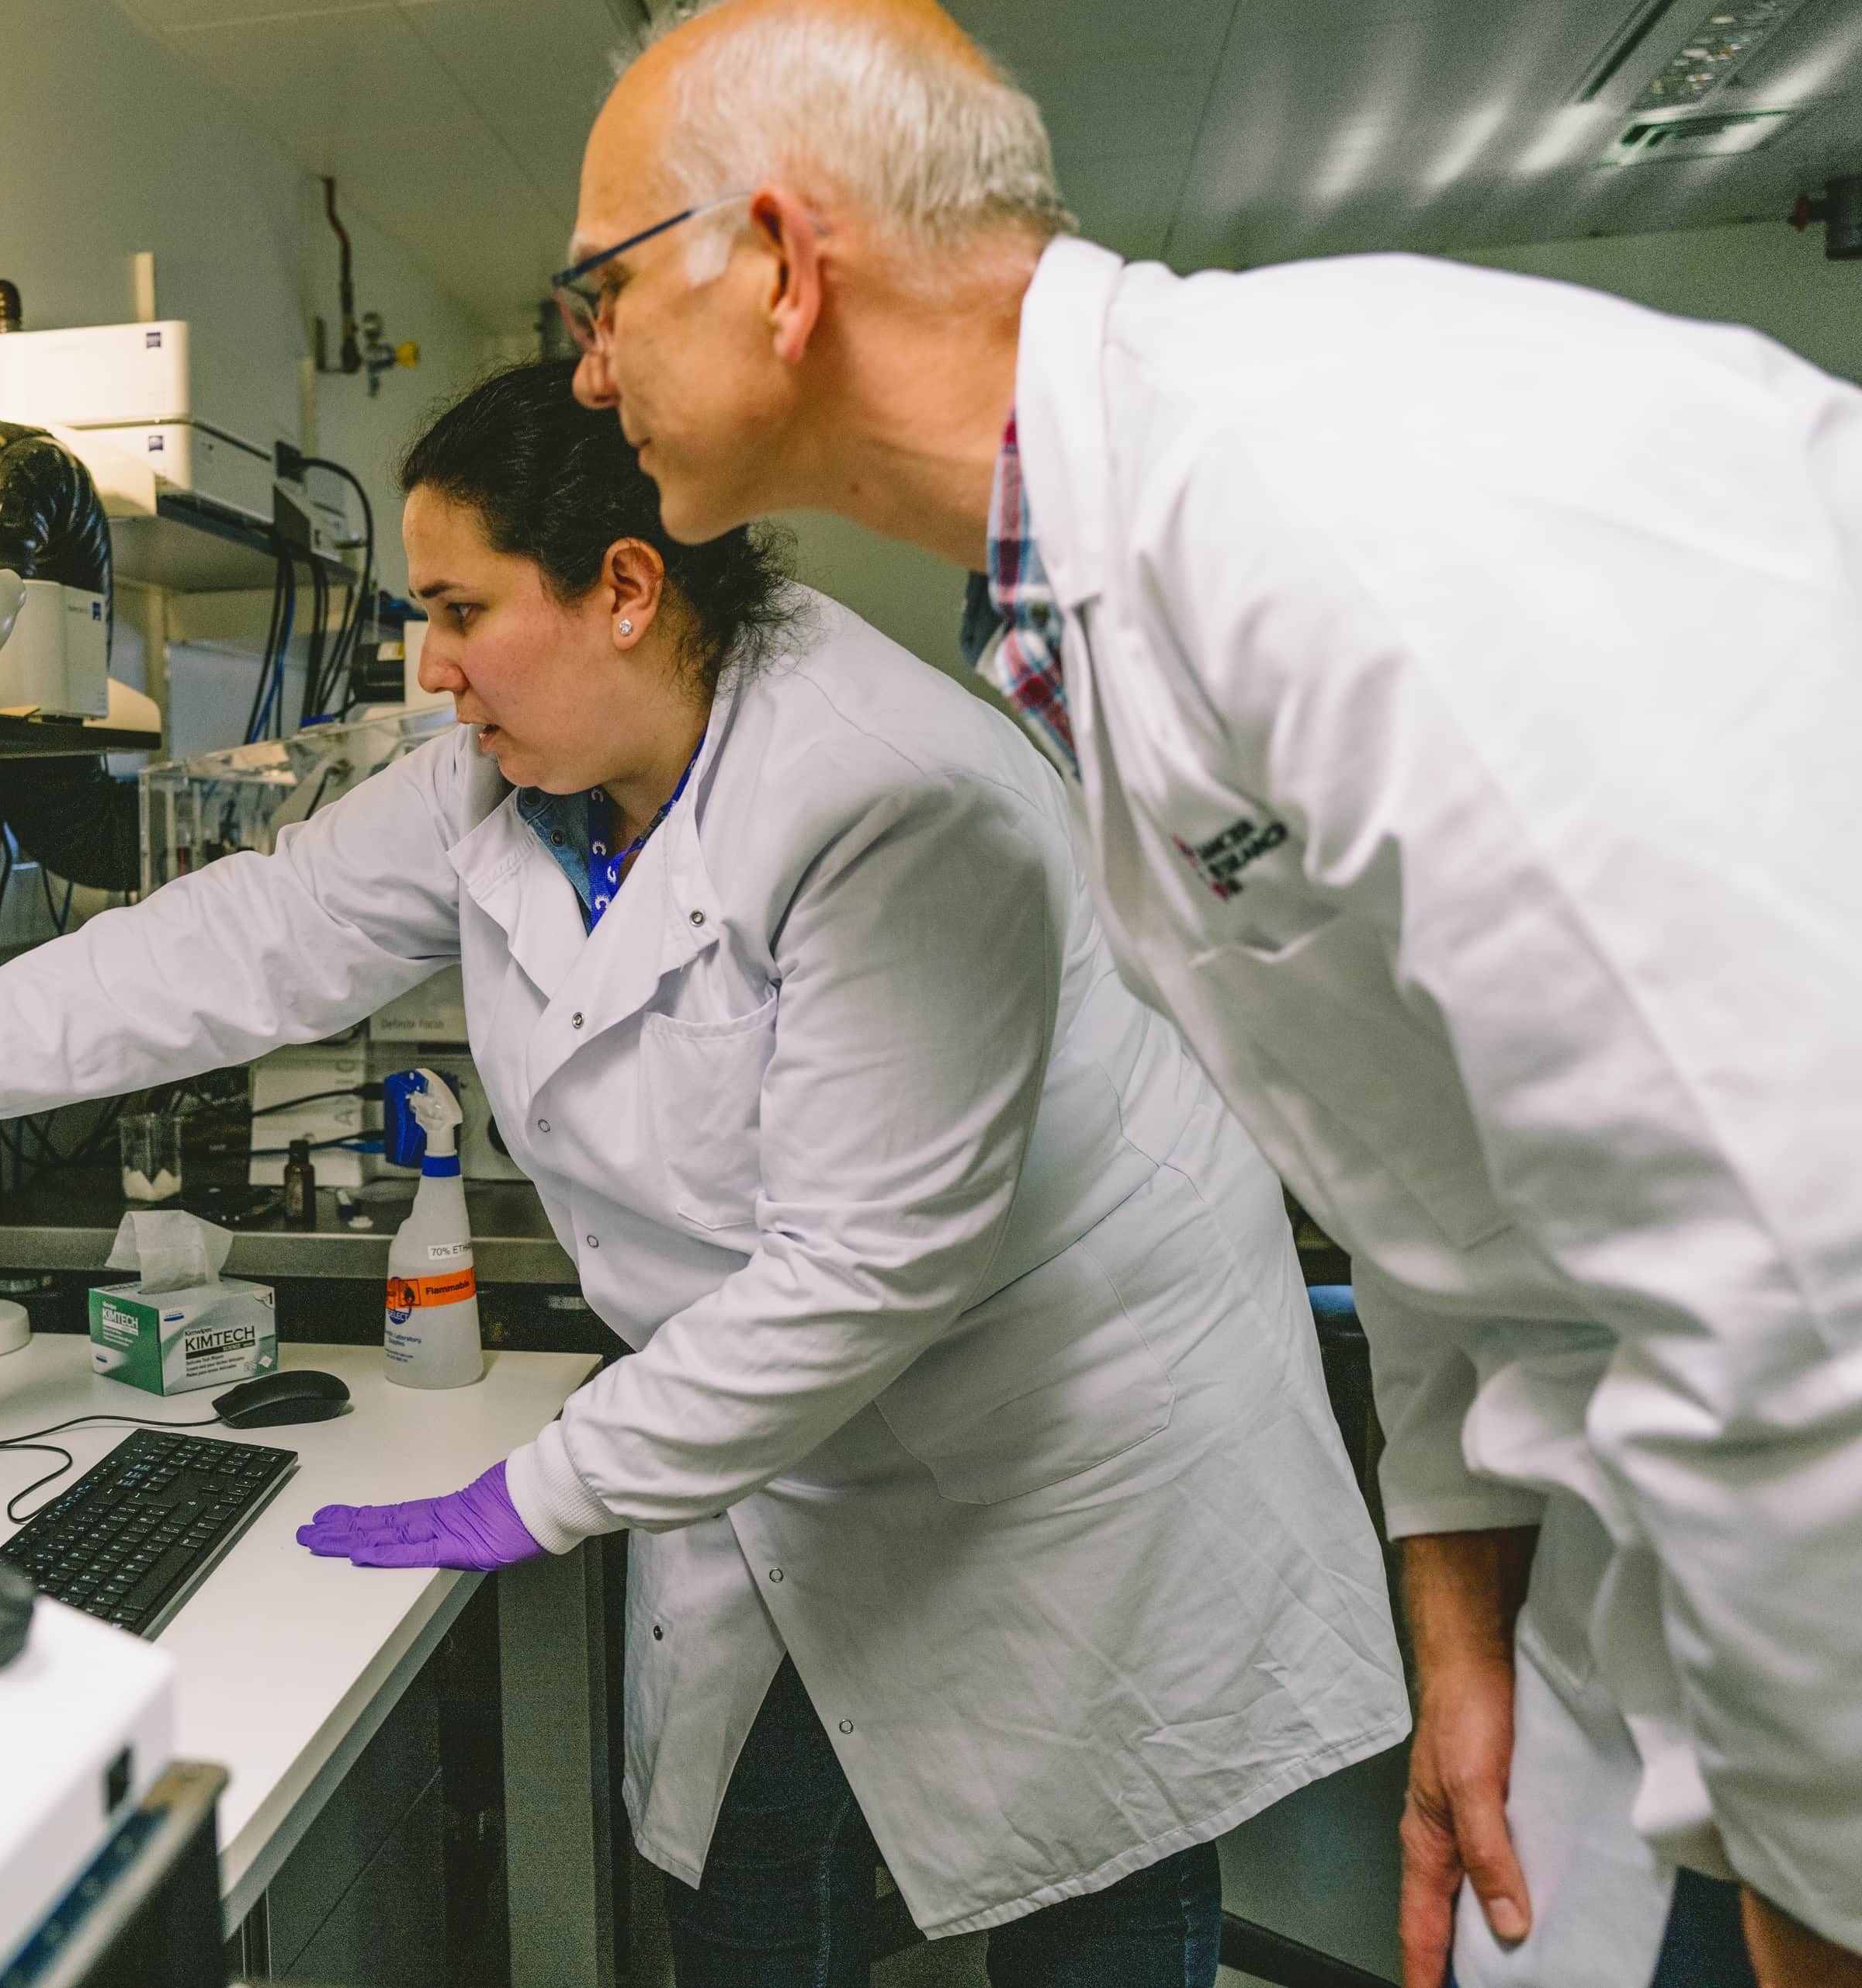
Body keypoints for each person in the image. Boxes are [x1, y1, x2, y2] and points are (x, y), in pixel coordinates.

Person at [0, 362, 1404, 1986]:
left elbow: (862, 1270)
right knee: (746, 1887)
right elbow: (258, 935)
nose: (432, 663)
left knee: (1092, 1895)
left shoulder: (887, 801)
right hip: (792, 1429)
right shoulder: (509, 780)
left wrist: (534, 1492)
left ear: (626, 589)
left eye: (464, 612)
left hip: (1067, 1432)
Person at [558, 5, 1862, 1986]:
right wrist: (1464, 1634)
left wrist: (1817, 1909)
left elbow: (1799, 1266)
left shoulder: (1313, 503)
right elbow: (1436, 1167)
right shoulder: (1102, 590)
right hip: (1711, 1607)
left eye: (604, 288)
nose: (586, 365)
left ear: (782, 264)